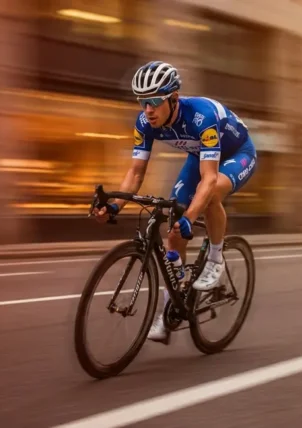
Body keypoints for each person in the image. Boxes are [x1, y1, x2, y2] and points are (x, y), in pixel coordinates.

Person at [93, 61, 258, 344]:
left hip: (238, 153)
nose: (148, 109)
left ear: (174, 98)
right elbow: (135, 172)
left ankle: (216, 258)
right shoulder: (145, 122)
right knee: (172, 233)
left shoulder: (201, 117)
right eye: (143, 101)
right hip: (200, 156)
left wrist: (189, 217)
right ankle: (170, 308)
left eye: (155, 101)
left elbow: (208, 180)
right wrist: (115, 205)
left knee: (210, 193)